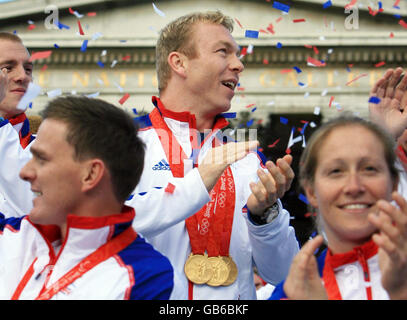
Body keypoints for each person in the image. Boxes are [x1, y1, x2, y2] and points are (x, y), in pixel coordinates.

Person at [0, 95, 178, 300]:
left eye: (41, 159)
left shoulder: (149, 280)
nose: (24, 173)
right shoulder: (13, 234)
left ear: (91, 174)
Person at [270, 114, 407, 300]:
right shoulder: (292, 292)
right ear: (310, 191)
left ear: (394, 183)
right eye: (336, 171)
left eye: (369, 169)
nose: (354, 187)